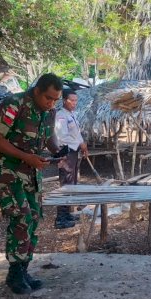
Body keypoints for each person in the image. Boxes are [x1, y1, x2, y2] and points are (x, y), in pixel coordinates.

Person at [0, 73, 65, 294]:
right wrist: (25, 156)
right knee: (20, 217)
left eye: (55, 100)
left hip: (31, 172)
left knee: (33, 218)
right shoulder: (13, 104)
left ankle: (23, 269)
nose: (51, 103)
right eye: (48, 98)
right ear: (37, 91)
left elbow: (48, 136)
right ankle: (14, 274)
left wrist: (57, 151)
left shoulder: (49, 111)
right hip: (8, 171)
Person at [53, 89, 88, 229]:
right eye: (71, 100)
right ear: (64, 100)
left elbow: (76, 134)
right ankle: (60, 218)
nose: (74, 103)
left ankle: (67, 214)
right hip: (65, 153)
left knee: (71, 183)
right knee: (65, 184)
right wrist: (80, 144)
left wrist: (83, 145)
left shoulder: (72, 115)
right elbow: (63, 137)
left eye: (75, 100)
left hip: (73, 153)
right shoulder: (60, 116)